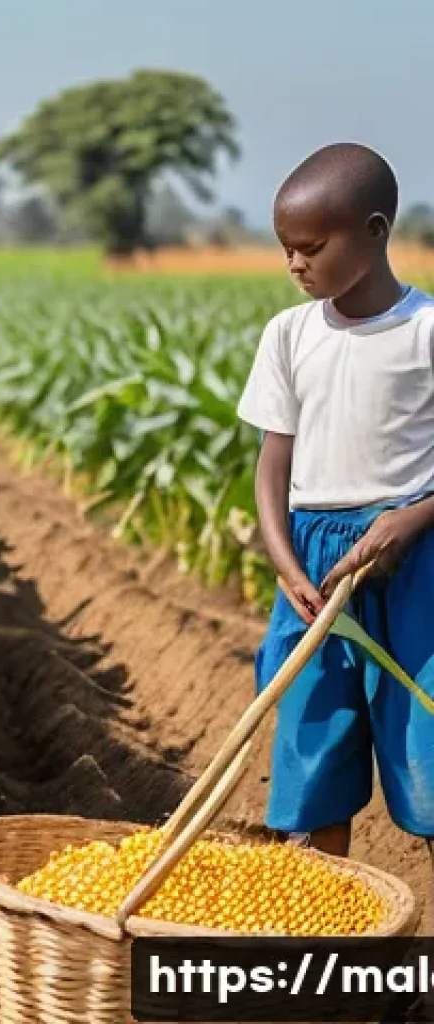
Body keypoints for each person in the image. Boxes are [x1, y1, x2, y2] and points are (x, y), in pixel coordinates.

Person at [238, 143, 434, 860]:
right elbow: (272, 466)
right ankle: (320, 938)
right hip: (313, 566)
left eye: (312, 248)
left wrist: (409, 520)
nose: (295, 265)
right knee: (310, 743)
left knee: (429, 746)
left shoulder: (425, 330)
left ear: (376, 231)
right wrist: (286, 564)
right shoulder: (288, 336)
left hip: (413, 561)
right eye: (287, 250)